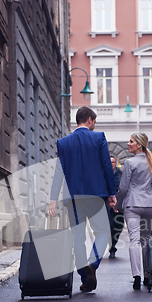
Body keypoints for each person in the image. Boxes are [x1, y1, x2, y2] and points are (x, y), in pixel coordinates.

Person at [48, 106, 116, 292]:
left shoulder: (63, 143)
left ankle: (86, 278)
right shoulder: (99, 137)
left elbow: (58, 172)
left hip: (73, 198)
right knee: (102, 232)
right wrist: (111, 194)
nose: (95, 125)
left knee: (78, 238)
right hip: (95, 195)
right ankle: (92, 264)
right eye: (95, 121)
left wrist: (53, 199)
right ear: (90, 120)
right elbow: (106, 167)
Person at [116, 133, 152, 290]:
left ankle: (137, 276)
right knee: (145, 239)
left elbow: (124, 187)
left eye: (131, 141)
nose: (128, 143)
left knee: (134, 240)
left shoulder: (129, 163)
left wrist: (117, 204)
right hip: (149, 206)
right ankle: (147, 275)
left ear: (139, 145)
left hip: (132, 205)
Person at [108, 156, 125, 259]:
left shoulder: (122, 175)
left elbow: (124, 190)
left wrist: (118, 203)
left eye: (113, 162)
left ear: (116, 163)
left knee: (118, 227)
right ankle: (111, 247)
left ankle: (113, 244)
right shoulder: (104, 174)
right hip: (107, 206)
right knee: (109, 226)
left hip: (119, 206)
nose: (112, 164)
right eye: (110, 162)